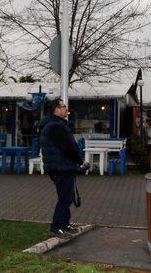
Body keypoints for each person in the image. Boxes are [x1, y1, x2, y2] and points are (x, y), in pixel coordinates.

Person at [39, 98, 87, 238]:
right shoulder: (54, 126)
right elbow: (66, 147)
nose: (66, 109)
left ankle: (65, 224)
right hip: (60, 167)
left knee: (67, 197)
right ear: (56, 109)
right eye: (63, 106)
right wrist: (80, 161)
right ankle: (57, 227)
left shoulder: (56, 124)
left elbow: (68, 147)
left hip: (62, 166)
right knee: (65, 198)